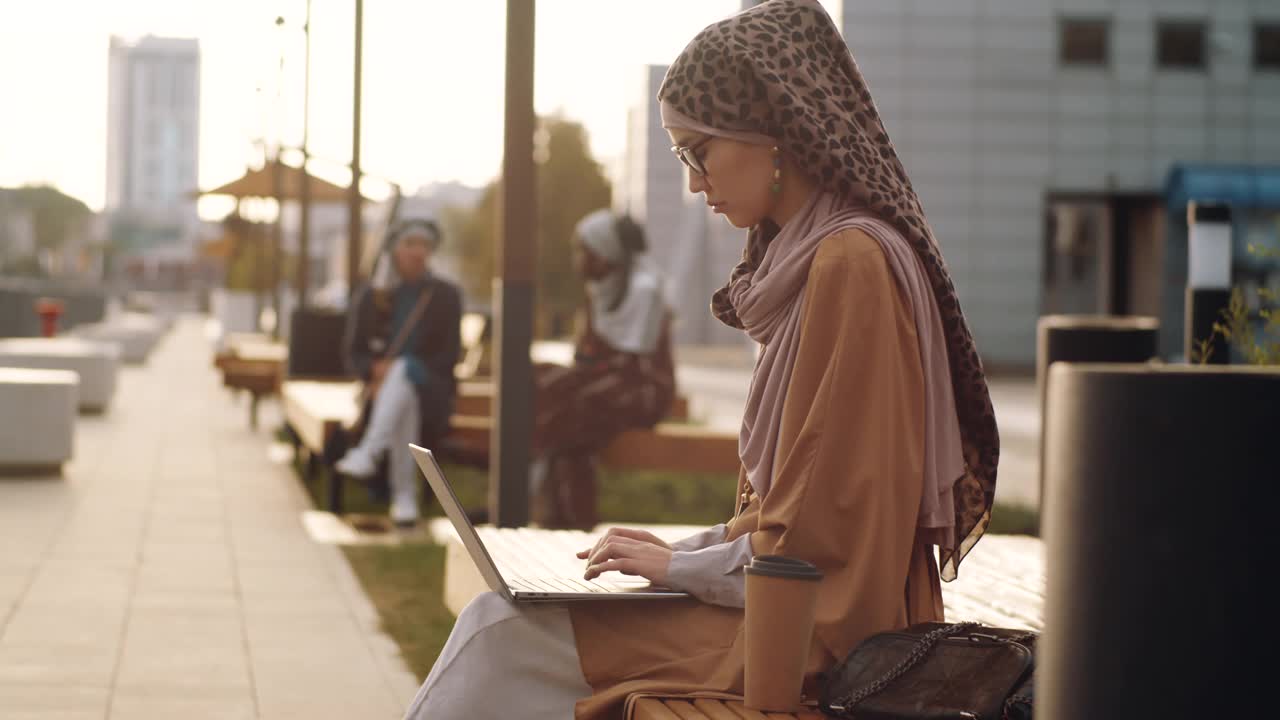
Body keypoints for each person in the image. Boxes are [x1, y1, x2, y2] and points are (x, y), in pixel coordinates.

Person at [401, 1, 999, 718]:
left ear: (772, 133)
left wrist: (683, 567)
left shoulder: (849, 262)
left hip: (811, 634)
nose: (693, 181)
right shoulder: (819, 256)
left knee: (499, 633)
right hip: (790, 605)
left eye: (698, 151)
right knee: (500, 622)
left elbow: (820, 538)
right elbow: (799, 511)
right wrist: (684, 552)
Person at [530, 209, 676, 529]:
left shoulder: (643, 288)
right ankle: (561, 517)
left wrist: (578, 375)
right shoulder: (600, 289)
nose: (578, 259)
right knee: (538, 380)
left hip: (642, 389)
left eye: (584, 250)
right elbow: (585, 356)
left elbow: (634, 364)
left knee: (571, 414)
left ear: (605, 251)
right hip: (607, 381)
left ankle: (561, 517)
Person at [338, 218, 463, 527]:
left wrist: (402, 368)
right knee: (402, 392)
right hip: (384, 396)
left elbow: (448, 357)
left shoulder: (445, 296)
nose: (418, 252)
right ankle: (404, 497)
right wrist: (375, 368)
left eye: (425, 245)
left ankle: (371, 450)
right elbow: (353, 353)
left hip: (432, 390)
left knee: (405, 370)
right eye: (410, 244)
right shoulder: (372, 296)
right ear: (395, 249)